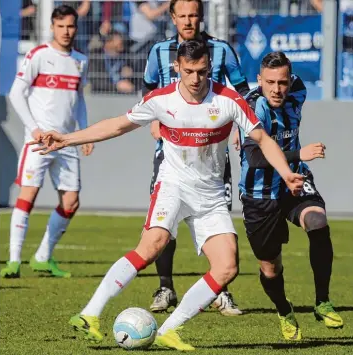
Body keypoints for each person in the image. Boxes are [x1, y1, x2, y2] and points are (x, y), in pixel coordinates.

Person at [31, 40, 303, 350]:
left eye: (202, 71)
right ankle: (89, 314)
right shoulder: (161, 100)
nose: (195, 79)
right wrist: (67, 139)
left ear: (210, 68)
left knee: (227, 266)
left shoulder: (228, 100)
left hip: (210, 194)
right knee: (152, 246)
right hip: (173, 185)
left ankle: (168, 330)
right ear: (177, 68)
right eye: (188, 71)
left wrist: (285, 172)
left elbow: (263, 140)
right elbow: (118, 125)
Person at [143, 0, 250, 315]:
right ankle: (165, 288)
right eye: (183, 15)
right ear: (173, 17)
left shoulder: (221, 50)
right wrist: (152, 119)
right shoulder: (159, 51)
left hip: (211, 150)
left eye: (194, 15)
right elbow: (149, 86)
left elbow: (241, 91)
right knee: (166, 220)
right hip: (171, 151)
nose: (188, 20)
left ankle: (221, 292)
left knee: (217, 218)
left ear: (201, 17)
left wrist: (238, 129)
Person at [238, 51, 344, 341]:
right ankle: (284, 310)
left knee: (318, 221)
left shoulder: (298, 89)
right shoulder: (250, 106)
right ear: (259, 80)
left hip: (294, 181)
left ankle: (322, 301)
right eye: (270, 82)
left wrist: (297, 162)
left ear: (290, 79)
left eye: (282, 82)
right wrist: (300, 152)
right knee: (271, 266)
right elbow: (256, 157)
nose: (277, 89)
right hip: (259, 192)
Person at [0, 5, 94, 279]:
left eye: (71, 26)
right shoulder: (39, 55)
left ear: (76, 28)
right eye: (61, 26)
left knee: (71, 202)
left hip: (66, 142)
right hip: (39, 141)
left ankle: (42, 257)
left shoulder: (80, 60)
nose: (66, 31)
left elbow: (79, 101)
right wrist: (35, 129)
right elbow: (17, 93)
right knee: (27, 196)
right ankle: (14, 261)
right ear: (53, 27)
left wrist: (85, 132)